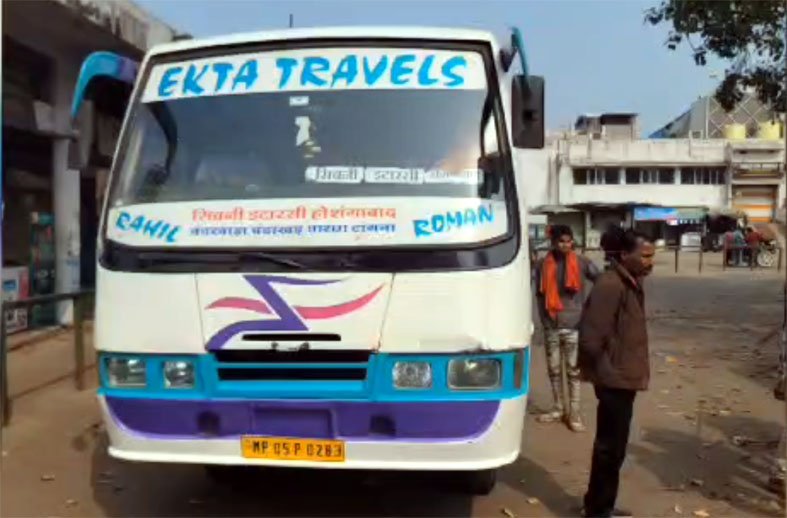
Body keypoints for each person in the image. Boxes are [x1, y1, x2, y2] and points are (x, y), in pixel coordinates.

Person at [578, 227, 655, 518]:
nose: (650, 261)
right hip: (614, 380)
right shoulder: (610, 285)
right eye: (645, 256)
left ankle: (600, 504)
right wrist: (606, 372)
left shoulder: (631, 281)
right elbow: (590, 337)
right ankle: (598, 510)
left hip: (622, 378)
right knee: (609, 450)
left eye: (652, 256)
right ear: (624, 255)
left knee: (615, 449)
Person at [534, 224, 600, 432]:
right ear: (553, 243)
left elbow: (601, 281)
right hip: (551, 325)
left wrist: (588, 308)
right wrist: (544, 320)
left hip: (574, 325)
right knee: (553, 370)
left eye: (568, 240)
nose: (565, 244)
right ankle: (557, 408)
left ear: (573, 241)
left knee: (573, 371)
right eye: (560, 241)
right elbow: (539, 295)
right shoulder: (542, 264)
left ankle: (574, 413)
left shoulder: (582, 262)